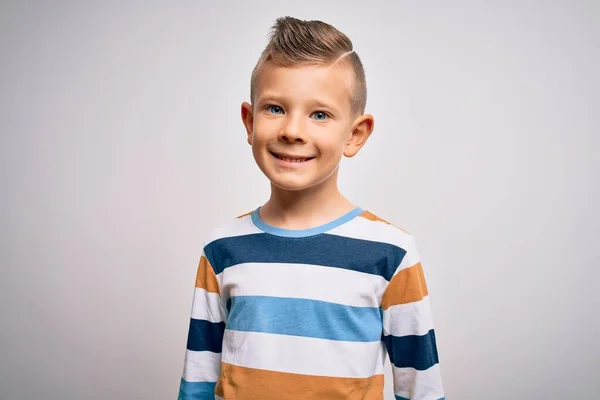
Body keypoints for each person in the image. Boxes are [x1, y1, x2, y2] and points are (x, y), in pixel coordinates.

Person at [178, 16, 445, 400]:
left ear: (355, 135)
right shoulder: (222, 248)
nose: (292, 130)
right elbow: (198, 378)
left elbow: (421, 386)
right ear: (249, 122)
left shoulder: (391, 252)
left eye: (319, 114)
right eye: (274, 109)